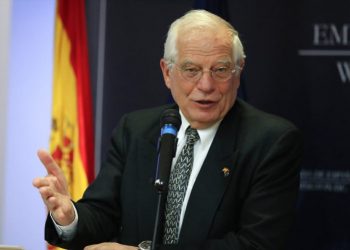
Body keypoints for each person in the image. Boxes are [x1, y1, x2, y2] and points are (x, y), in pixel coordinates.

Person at [33, 9, 303, 250]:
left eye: (220, 70)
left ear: (238, 72)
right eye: (191, 70)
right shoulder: (136, 130)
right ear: (166, 73)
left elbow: (256, 244)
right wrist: (70, 218)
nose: (206, 85)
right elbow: (104, 214)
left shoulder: (271, 141)